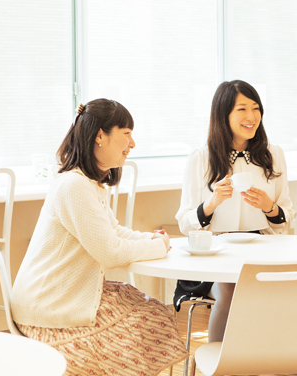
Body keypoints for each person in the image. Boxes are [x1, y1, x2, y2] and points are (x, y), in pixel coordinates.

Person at [12, 98, 188, 376]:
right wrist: (157, 246)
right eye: (127, 133)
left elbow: (113, 232)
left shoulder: (85, 183)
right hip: (48, 307)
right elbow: (111, 253)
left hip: (62, 297)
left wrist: (150, 239)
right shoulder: (74, 186)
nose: (132, 144)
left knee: (151, 312)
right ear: (99, 136)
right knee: (147, 319)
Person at [174, 80, 295, 342]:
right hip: (214, 253)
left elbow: (284, 220)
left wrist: (269, 207)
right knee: (230, 289)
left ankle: (276, 362)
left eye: (256, 108)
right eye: (242, 109)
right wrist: (212, 203)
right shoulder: (200, 158)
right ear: (223, 114)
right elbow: (185, 223)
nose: (252, 117)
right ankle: (221, 365)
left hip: (262, 250)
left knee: (285, 290)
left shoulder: (273, 155)